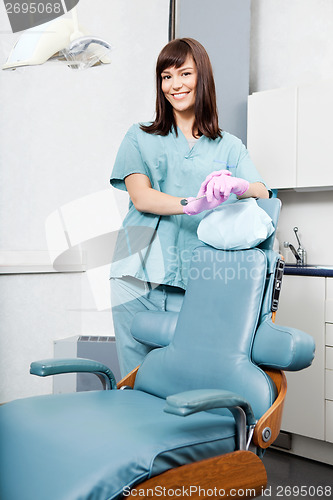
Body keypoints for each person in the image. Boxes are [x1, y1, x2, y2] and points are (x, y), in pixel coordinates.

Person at [110, 38, 269, 377]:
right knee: (135, 380)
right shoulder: (138, 136)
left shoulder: (229, 146)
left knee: (187, 379)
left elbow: (263, 192)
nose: (175, 84)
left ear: (203, 78)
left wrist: (240, 188)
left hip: (197, 281)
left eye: (184, 73)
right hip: (134, 278)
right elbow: (142, 197)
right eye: (166, 77)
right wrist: (196, 204)